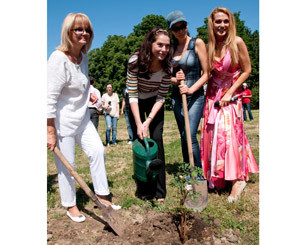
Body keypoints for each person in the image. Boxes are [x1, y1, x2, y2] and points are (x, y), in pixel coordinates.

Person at [47, 13, 121, 223]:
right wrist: (49, 130)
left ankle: (103, 197)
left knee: (97, 151)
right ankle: (71, 205)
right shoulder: (58, 59)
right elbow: (49, 97)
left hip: (82, 119)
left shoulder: (83, 57)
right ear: (68, 32)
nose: (84, 33)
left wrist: (88, 92)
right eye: (78, 29)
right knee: (67, 165)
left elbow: (79, 84)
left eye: (87, 29)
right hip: (62, 123)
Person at [200, 7, 259, 202]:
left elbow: (247, 70)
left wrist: (231, 92)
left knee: (230, 137)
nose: (222, 25)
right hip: (213, 98)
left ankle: (237, 180)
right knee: (213, 137)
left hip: (231, 97)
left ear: (230, 23)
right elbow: (207, 76)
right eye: (218, 21)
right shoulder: (210, 47)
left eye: (225, 21)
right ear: (212, 24)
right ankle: (220, 178)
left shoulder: (237, 43)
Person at [127, 27, 172, 202]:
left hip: (155, 102)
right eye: (159, 44)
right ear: (150, 43)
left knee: (157, 140)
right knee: (141, 142)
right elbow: (132, 94)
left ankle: (160, 191)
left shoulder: (168, 66)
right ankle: (145, 188)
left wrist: (149, 120)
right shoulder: (135, 61)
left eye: (167, 46)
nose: (164, 50)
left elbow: (162, 96)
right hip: (136, 100)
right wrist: (140, 123)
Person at [166, 10, 209, 171]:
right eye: (176, 28)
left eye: (182, 26)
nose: (180, 31)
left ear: (186, 25)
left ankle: (197, 175)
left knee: (190, 134)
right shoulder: (170, 49)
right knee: (184, 136)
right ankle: (187, 170)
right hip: (177, 98)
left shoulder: (197, 43)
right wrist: (176, 80)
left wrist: (191, 89)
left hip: (195, 96)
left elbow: (207, 73)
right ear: (171, 31)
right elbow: (165, 76)